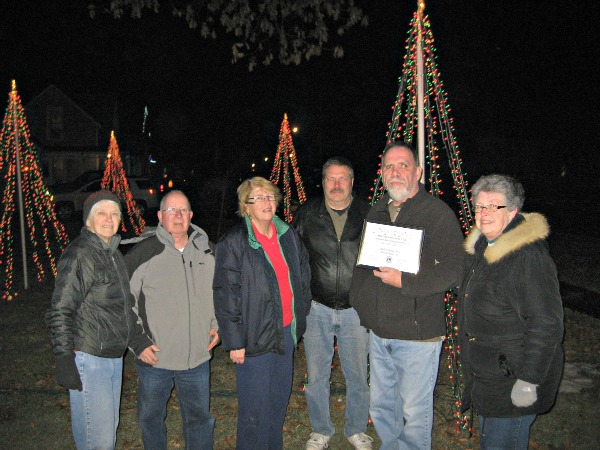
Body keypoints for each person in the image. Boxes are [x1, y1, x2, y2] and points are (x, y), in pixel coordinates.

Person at [349, 141, 464, 450]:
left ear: (418, 172)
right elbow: (362, 265)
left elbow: (454, 272)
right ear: (382, 174)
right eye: (388, 166)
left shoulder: (437, 214)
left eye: (403, 165)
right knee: (383, 408)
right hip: (380, 332)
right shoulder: (377, 212)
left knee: (413, 415)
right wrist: (361, 303)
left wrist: (405, 281)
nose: (395, 172)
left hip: (417, 336)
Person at [457, 174, 564, 449]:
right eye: (480, 206)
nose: (484, 213)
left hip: (513, 378)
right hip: (489, 377)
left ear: (513, 211)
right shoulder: (483, 247)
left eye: (495, 206)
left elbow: (546, 323)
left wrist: (529, 380)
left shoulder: (528, 257)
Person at [213, 176, 311, 450]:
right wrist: (235, 342)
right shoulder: (234, 242)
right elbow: (225, 292)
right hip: (254, 337)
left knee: (278, 400)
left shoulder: (287, 235)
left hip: (285, 333)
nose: (266, 202)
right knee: (254, 409)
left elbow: (303, 272)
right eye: (258, 198)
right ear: (246, 207)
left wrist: (301, 311)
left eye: (270, 196)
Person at [126, 190, 219, 450]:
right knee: (151, 419)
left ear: (191, 215)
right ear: (159, 216)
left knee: (200, 420)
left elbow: (219, 293)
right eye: (171, 210)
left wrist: (217, 325)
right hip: (156, 358)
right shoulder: (143, 253)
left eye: (183, 210)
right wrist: (138, 342)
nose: (177, 216)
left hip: (197, 358)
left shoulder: (207, 250)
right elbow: (123, 301)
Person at [292, 157, 372, 450]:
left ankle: (356, 428)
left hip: (356, 309)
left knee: (358, 375)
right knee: (316, 375)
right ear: (323, 181)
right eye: (330, 178)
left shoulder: (369, 213)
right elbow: (293, 258)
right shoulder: (306, 214)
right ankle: (321, 429)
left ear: (352, 182)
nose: (336, 185)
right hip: (317, 307)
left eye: (342, 179)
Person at [46, 190, 131, 449]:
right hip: (90, 358)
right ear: (88, 220)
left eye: (114, 213)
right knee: (99, 441)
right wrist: (64, 359)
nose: (109, 219)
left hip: (113, 356)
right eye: (101, 213)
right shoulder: (80, 254)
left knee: (103, 436)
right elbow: (60, 309)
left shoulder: (112, 252)